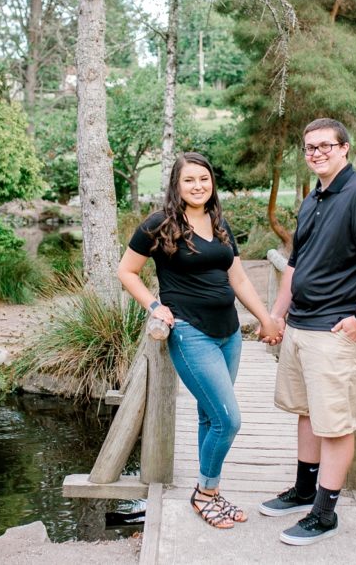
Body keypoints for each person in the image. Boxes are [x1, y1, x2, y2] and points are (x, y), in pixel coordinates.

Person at [118, 152, 282, 530]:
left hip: (229, 333)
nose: (198, 186)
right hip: (191, 333)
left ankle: (212, 490)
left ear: (212, 183)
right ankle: (205, 495)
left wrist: (265, 318)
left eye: (204, 179)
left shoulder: (218, 221)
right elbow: (126, 271)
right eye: (189, 180)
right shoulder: (159, 224)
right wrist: (154, 305)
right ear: (177, 184)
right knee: (229, 420)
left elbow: (238, 279)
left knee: (210, 415)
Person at [259, 118, 356, 546]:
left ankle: (324, 513)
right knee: (306, 412)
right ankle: (304, 490)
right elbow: (295, 264)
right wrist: (277, 316)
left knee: (335, 424)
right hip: (300, 325)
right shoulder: (313, 199)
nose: (316, 153)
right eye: (309, 148)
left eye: (324, 146)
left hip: (336, 330)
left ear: (344, 148)